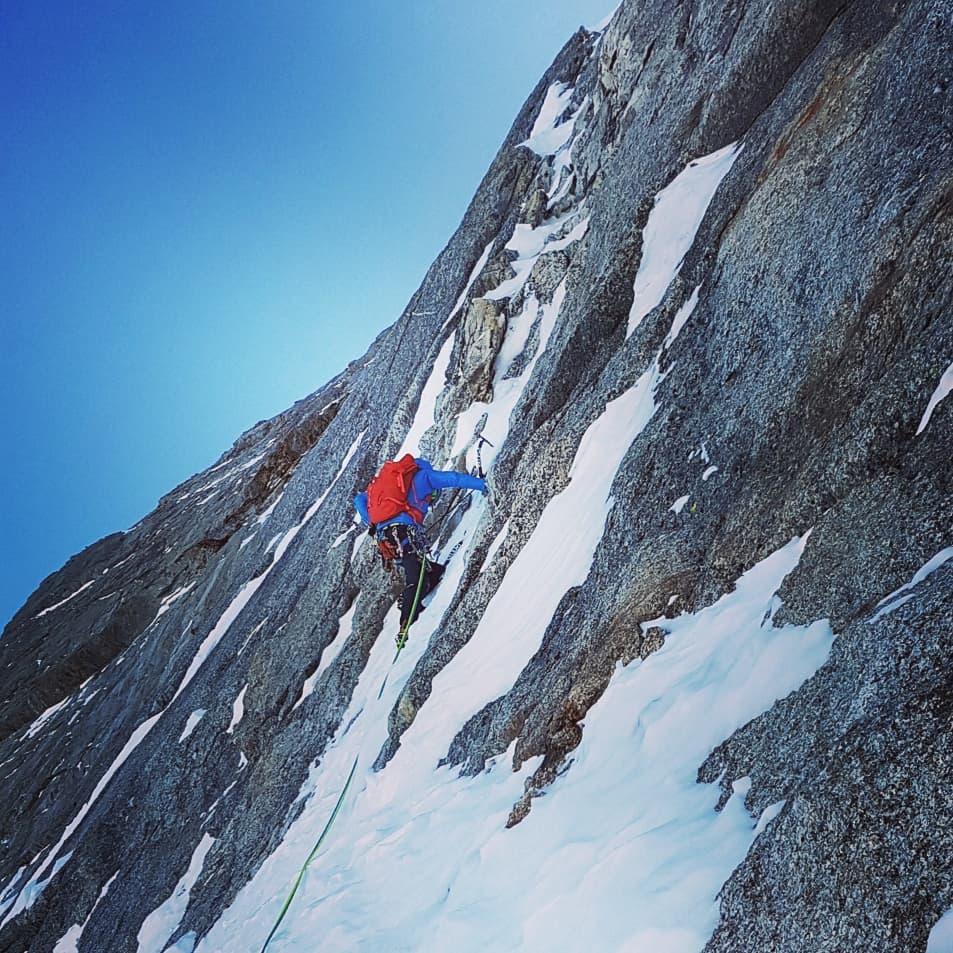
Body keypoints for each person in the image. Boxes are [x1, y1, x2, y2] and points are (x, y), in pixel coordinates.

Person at [354, 456, 486, 638]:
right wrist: (483, 485)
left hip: (387, 540)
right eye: (432, 497)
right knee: (415, 577)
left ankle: (423, 587)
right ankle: (405, 623)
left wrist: (372, 523)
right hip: (403, 534)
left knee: (430, 571)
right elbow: (454, 478)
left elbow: (359, 499)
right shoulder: (425, 477)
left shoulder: (391, 487)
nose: (430, 501)